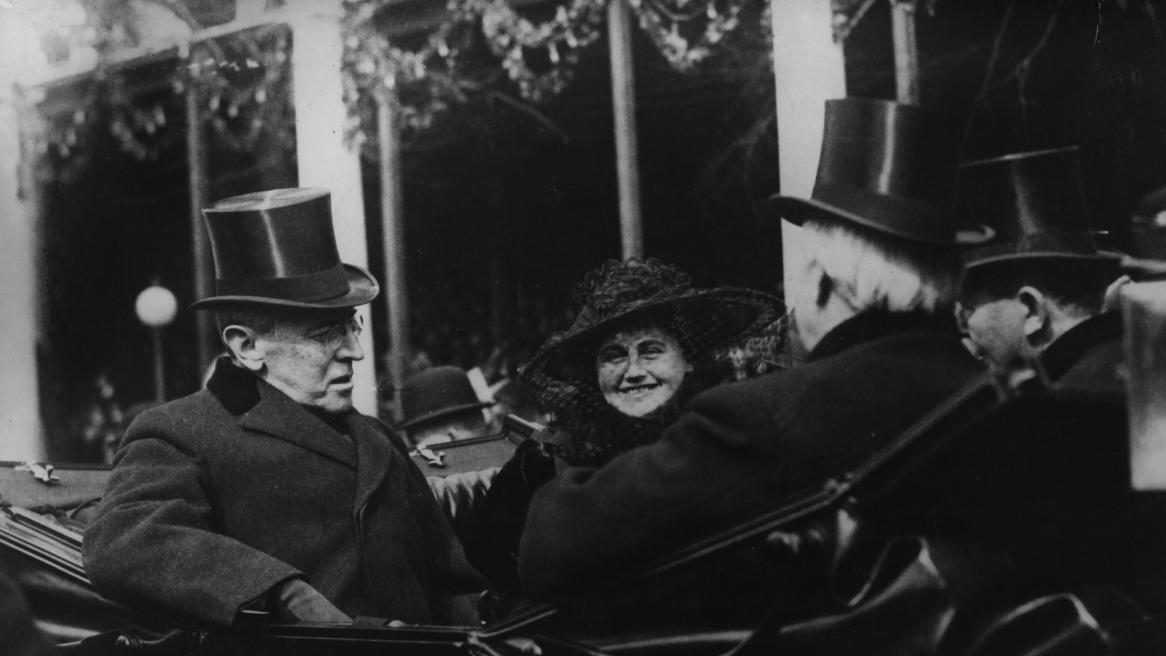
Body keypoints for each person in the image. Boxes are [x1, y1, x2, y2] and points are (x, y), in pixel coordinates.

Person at [517, 97, 980, 598]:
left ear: (824, 284)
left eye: (651, 351)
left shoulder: (768, 417)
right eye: (614, 355)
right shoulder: (1004, 395)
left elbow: (555, 546)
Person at [83, 188, 486, 627]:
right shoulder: (178, 432)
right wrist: (282, 592)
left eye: (352, 326)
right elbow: (121, 539)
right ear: (248, 346)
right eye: (323, 334)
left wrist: (481, 641)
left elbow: (451, 583)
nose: (355, 351)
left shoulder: (379, 437)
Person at [466, 256, 786, 597]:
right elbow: (486, 574)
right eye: (614, 356)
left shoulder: (723, 441)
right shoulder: (541, 462)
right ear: (594, 372)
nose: (633, 371)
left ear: (688, 360)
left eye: (651, 351)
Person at [953, 147, 1128, 390]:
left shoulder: (1054, 406)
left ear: (1031, 310)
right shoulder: (1134, 362)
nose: (965, 332)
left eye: (968, 312)